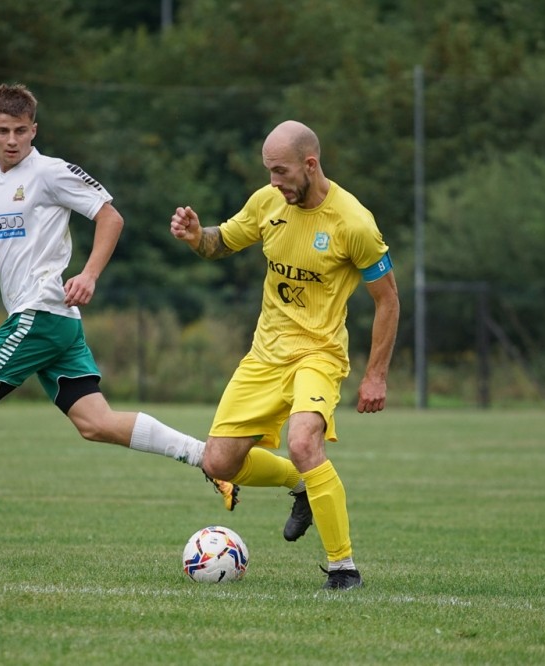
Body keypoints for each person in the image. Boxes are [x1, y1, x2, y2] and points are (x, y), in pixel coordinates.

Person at [0, 83, 211, 552]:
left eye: (21, 130)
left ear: (34, 130)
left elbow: (111, 218)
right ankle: (206, 457)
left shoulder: (50, 172)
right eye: (4, 130)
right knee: (95, 423)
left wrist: (89, 274)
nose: (13, 140)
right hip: (53, 321)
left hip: (40, 311)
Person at [169, 120, 400, 590]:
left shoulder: (354, 222)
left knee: (304, 442)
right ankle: (303, 484)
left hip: (318, 354)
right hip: (265, 355)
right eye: (268, 171)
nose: (274, 181)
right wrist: (196, 236)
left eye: (280, 171)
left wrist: (376, 375)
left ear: (310, 165)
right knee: (218, 463)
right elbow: (221, 242)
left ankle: (343, 569)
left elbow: (388, 300)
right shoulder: (267, 202)